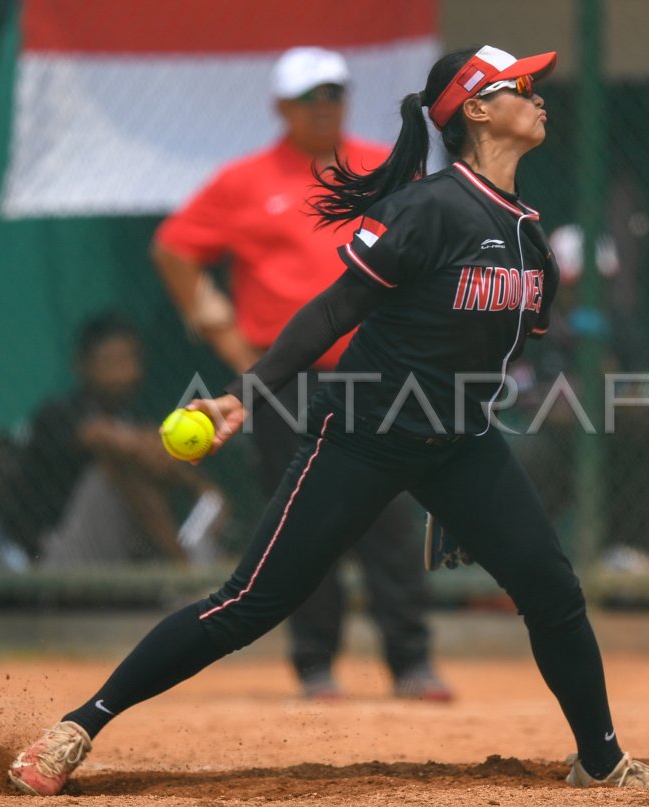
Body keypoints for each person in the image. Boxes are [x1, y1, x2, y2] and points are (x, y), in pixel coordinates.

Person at [7, 45, 649, 795]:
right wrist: (247, 391)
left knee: (553, 590)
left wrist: (459, 494)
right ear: (476, 109)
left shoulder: (530, 237)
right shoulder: (427, 208)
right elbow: (336, 308)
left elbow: (484, 360)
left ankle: (601, 759)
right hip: (361, 434)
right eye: (518, 85)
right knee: (247, 605)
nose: (538, 96)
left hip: (459, 444)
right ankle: (76, 727)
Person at [151, 47, 449, 701]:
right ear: (281, 107)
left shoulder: (384, 164)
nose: (324, 106)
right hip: (287, 381)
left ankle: (412, 661)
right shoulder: (245, 180)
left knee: (392, 518)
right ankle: (315, 663)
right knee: (302, 519)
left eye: (334, 93)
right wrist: (220, 329)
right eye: (311, 96)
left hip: (380, 372)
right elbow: (175, 246)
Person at [509, 166, 649, 573]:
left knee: (644, 452)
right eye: (582, 283)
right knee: (523, 455)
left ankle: (626, 556)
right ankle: (516, 560)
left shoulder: (624, 330)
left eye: (604, 282)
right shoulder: (531, 329)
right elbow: (531, 403)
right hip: (554, 452)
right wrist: (599, 395)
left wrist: (590, 391)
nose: (594, 295)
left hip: (615, 448)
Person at [0, 313, 225, 566]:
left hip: (123, 553)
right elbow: (106, 439)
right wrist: (151, 449)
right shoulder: (58, 412)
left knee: (204, 497)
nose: (124, 373)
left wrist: (197, 485)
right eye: (112, 362)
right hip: (57, 559)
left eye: (130, 360)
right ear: (83, 365)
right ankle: (185, 571)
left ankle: (189, 567)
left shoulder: (135, 415)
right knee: (117, 463)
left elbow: (152, 453)